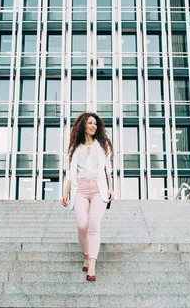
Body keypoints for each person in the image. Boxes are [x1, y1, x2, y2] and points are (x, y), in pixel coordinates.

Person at [61, 112, 114, 281]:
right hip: (81, 189)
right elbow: (70, 174)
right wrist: (65, 193)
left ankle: (92, 264)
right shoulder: (74, 149)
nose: (94, 126)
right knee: (82, 225)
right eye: (90, 123)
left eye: (95, 124)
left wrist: (111, 189)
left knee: (94, 224)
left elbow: (108, 170)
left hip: (99, 189)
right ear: (83, 125)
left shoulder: (102, 146)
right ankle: (86, 254)